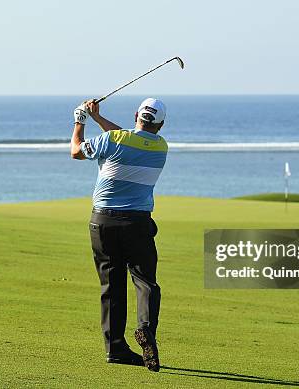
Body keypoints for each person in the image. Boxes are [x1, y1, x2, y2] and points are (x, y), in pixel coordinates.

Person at [70, 97, 168, 372]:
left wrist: (80, 120)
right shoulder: (161, 147)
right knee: (146, 282)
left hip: (102, 222)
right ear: (160, 124)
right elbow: (127, 136)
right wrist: (98, 118)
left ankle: (115, 348)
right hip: (137, 223)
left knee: (111, 285)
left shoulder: (113, 139)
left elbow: (76, 151)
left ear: (136, 114)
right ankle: (146, 328)